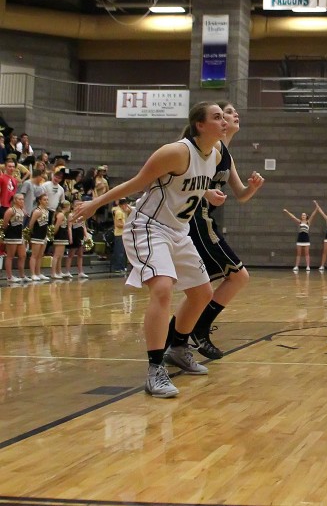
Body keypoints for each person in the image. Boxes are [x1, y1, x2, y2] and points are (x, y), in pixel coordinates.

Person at [70, 102, 226, 398]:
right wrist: (94, 204)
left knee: (203, 293)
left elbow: (186, 182)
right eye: (217, 117)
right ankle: (155, 370)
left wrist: (207, 193)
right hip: (148, 226)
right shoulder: (175, 151)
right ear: (200, 125)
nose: (224, 122)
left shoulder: (214, 155)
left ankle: (178, 348)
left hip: (179, 231)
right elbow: (137, 183)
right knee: (163, 288)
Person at [170, 101, 265, 360]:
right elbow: (185, 181)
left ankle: (175, 338)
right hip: (196, 220)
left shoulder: (224, 154)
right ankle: (197, 330)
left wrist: (253, 187)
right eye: (227, 113)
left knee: (200, 288)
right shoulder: (203, 149)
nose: (234, 116)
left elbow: (241, 195)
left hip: (202, 220)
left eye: (234, 113)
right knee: (237, 276)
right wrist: (205, 192)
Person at [26, 192, 53, 282]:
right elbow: (31, 224)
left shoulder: (47, 211)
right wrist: (29, 235)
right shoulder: (37, 211)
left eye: (47, 200)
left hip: (43, 236)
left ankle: (38, 273)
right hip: (36, 236)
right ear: (39, 201)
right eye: (44, 200)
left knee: (40, 255)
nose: (46, 201)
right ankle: (33, 274)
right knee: (34, 255)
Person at [1, 193, 27, 283]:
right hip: (11, 236)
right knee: (10, 256)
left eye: (23, 199)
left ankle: (22, 275)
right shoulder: (10, 210)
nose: (22, 201)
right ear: (15, 200)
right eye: (19, 199)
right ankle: (9, 277)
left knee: (23, 255)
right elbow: (4, 224)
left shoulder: (22, 210)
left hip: (20, 235)